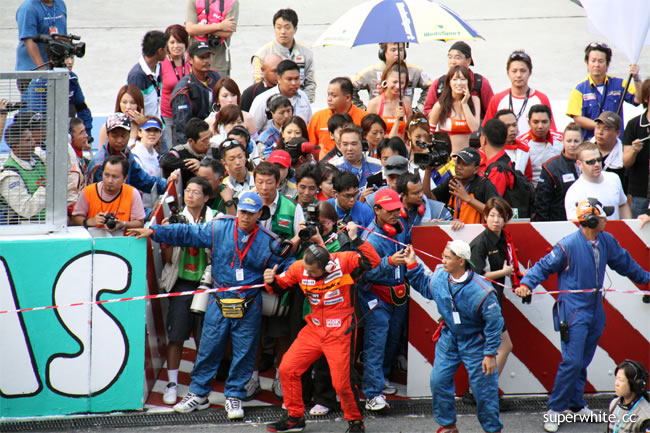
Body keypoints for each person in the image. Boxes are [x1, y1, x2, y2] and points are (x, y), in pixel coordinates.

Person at [127, 191, 293, 420]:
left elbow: (289, 263)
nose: (245, 216)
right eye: (242, 211)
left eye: (250, 213)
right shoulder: (220, 227)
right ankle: (198, 393)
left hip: (250, 302)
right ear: (238, 211)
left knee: (244, 351)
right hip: (219, 298)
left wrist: (276, 275)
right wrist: (155, 231)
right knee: (209, 346)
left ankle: (234, 395)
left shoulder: (270, 241)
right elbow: (188, 233)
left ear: (259, 214)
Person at [514, 198, 650, 433]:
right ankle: (555, 409)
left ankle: (576, 405)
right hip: (574, 311)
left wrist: (647, 279)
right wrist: (526, 283)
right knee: (573, 361)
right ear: (590, 220)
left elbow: (626, 264)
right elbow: (542, 267)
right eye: (602, 215)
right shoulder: (566, 246)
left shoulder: (606, 241)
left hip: (595, 309)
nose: (607, 218)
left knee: (582, 360)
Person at [263, 222, 380, 433]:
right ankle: (295, 417)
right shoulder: (299, 268)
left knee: (341, 383)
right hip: (314, 329)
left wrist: (356, 239)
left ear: (326, 267)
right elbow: (280, 287)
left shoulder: (344, 262)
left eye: (313, 271)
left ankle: (355, 422)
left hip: (340, 331)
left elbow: (373, 260)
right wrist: (270, 281)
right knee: (288, 368)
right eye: (305, 269)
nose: (307, 274)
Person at [405, 240, 504, 433]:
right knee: (438, 380)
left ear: (461, 261)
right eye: (443, 256)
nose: (442, 260)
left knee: (483, 391)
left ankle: (493, 430)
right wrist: (412, 264)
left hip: (476, 342)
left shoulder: (482, 291)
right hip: (449, 337)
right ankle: (448, 426)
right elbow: (426, 287)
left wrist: (490, 354)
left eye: (447, 257)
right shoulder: (441, 276)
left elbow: (495, 324)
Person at [160, 176, 214, 406]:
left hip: (207, 281)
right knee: (176, 334)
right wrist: (167, 235)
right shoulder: (175, 218)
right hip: (181, 280)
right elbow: (167, 259)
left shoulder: (215, 219)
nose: (190, 195)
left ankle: (200, 385)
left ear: (206, 197)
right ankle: (172, 383)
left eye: (196, 192)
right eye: (188, 191)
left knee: (205, 337)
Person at [358, 188, 409, 411]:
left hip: (398, 296)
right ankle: (372, 393)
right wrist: (389, 262)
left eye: (398, 208)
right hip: (375, 298)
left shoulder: (400, 227)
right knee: (375, 344)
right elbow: (363, 273)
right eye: (390, 210)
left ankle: (384, 377)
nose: (396, 213)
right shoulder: (368, 239)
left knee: (392, 340)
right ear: (376, 210)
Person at [469, 197, 521, 386]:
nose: (496, 220)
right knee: (504, 346)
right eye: (492, 215)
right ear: (485, 217)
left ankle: (479, 390)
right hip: (482, 303)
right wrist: (505, 272)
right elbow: (475, 277)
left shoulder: (502, 239)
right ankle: (482, 390)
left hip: (493, 301)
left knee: (489, 349)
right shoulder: (480, 243)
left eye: (500, 216)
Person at [567, 42, 642, 140]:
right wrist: (600, 127)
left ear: (607, 64)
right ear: (587, 63)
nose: (596, 65)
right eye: (593, 61)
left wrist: (636, 78)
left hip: (615, 142)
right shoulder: (579, 89)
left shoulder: (620, 84)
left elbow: (638, 100)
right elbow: (577, 118)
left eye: (601, 61)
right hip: (590, 146)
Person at [87, 113, 170, 197]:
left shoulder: (126, 152)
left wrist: (166, 183)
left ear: (129, 135)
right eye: (114, 136)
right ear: (108, 135)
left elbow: (142, 179)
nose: (119, 140)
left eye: (123, 136)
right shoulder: (99, 163)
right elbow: (105, 197)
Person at [483, 50, 555, 136]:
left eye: (523, 71)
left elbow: (551, 130)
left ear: (530, 72)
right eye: (514, 71)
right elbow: (486, 132)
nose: (518, 75)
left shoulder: (541, 98)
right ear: (508, 73)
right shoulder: (497, 99)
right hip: (504, 148)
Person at [251, 8, 316, 102]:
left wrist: (301, 103)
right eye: (279, 27)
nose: (283, 32)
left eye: (287, 27)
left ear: (295, 29)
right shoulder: (262, 54)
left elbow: (310, 84)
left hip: (299, 103)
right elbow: (257, 85)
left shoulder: (306, 53)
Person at [71, 156, 145, 233]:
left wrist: (123, 224)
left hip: (122, 241)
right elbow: (74, 220)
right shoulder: (88, 191)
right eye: (106, 175)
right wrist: (90, 221)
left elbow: (140, 223)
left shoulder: (132, 193)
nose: (110, 181)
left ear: (125, 178)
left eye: (115, 177)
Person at [424, 41, 494, 120]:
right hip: (446, 129)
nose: (453, 62)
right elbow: (427, 110)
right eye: (450, 57)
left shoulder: (480, 83)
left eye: (457, 58)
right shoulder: (439, 83)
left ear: (468, 61)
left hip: (474, 130)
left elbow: (492, 111)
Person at [352, 42, 432, 111]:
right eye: (393, 50)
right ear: (383, 52)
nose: (397, 53)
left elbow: (431, 87)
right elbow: (350, 87)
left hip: (404, 117)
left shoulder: (415, 71)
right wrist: (362, 110)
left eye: (400, 50)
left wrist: (419, 109)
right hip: (378, 120)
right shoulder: (371, 72)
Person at [429, 147, 499, 224]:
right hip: (454, 231)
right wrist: (427, 170)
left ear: (476, 169)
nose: (459, 167)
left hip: (478, 233)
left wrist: (468, 198)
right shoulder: (452, 180)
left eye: (465, 164)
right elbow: (430, 198)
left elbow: (495, 212)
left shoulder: (484, 184)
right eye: (458, 163)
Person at [170, 41, 222, 146]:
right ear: (190, 60)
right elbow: (182, 130)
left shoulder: (216, 78)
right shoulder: (183, 91)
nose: (206, 61)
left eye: (208, 57)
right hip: (196, 143)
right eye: (202, 58)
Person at [564, 141, 631, 220]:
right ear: (579, 164)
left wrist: (627, 226)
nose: (597, 164)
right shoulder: (574, 192)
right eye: (591, 162)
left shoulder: (614, 178)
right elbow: (575, 224)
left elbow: (622, 204)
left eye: (599, 159)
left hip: (615, 231)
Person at [308, 77, 367, 159]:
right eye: (328, 95)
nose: (329, 99)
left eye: (333, 96)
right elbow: (311, 148)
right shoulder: (318, 117)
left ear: (347, 98)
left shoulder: (363, 118)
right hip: (325, 167)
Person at [0, 121, 46, 224]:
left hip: (52, 220)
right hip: (31, 229)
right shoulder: (9, 176)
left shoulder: (37, 159)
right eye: (28, 140)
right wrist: (47, 187)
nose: (34, 142)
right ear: (15, 146)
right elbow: (26, 209)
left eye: (32, 138)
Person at [428, 65, 481, 155]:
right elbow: (429, 133)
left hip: (466, 158)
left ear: (468, 81)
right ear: (449, 82)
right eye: (455, 79)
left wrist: (464, 104)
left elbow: (474, 128)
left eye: (463, 79)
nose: (459, 83)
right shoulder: (440, 105)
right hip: (447, 158)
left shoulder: (475, 100)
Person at [249, 60, 312, 134]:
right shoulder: (263, 100)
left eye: (296, 79)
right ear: (278, 79)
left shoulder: (303, 97)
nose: (294, 83)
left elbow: (309, 125)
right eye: (289, 79)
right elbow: (252, 132)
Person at [535, 123, 582, 221]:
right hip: (559, 223)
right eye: (569, 141)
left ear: (582, 141)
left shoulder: (591, 162)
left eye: (576, 141)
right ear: (562, 141)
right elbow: (542, 204)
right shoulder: (551, 167)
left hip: (585, 221)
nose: (572, 145)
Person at [184, 0, 238, 76]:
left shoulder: (231, 2)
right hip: (195, 61)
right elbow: (190, 29)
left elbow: (227, 33)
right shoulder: (195, 1)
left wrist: (200, 27)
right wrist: (220, 26)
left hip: (219, 63)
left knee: (221, 86)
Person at [160, 24, 192, 152]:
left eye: (179, 42)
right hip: (168, 116)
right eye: (172, 42)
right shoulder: (161, 63)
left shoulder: (192, 59)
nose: (176, 46)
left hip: (187, 114)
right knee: (169, 151)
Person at [254, 161, 304, 240]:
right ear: (254, 183)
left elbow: (300, 237)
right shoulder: (247, 203)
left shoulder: (293, 207)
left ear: (278, 183)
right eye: (260, 182)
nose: (264, 187)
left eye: (269, 183)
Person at [15, 0, 67, 76]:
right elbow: (29, 40)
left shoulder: (60, 4)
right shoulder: (28, 8)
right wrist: (43, 72)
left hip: (56, 71)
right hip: (33, 71)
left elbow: (63, 35)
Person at [127, 30, 169, 123]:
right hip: (145, 130)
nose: (167, 51)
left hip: (157, 125)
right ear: (160, 51)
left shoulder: (158, 67)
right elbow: (133, 110)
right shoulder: (137, 76)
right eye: (166, 48)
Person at [622, 78, 650, 217]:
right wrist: (634, 151)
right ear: (646, 98)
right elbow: (626, 162)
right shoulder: (634, 125)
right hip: (640, 192)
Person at [517, 104, 563, 186]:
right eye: (536, 122)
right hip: (531, 191)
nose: (540, 126)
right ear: (529, 123)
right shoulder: (521, 143)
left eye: (544, 122)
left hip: (557, 190)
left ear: (550, 123)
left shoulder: (562, 140)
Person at [161, 117, 211, 188]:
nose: (209, 143)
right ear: (191, 141)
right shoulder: (180, 150)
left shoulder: (214, 148)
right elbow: (165, 161)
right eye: (204, 140)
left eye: (209, 138)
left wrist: (202, 165)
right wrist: (191, 165)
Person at [367, 61, 412, 139]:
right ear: (386, 80)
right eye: (394, 82)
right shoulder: (374, 104)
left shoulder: (406, 102)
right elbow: (369, 134)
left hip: (402, 147)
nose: (398, 86)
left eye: (402, 83)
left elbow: (410, 130)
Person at [329, 125, 382, 190]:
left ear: (362, 144)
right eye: (345, 144)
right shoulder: (332, 168)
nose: (349, 148)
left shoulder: (378, 166)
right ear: (340, 145)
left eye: (354, 144)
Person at [606, 360, 650, 433]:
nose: (616, 384)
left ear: (635, 384)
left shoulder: (644, 416)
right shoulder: (614, 404)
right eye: (616, 379)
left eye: (621, 380)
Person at [131, 116, 163, 209]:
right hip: (140, 209)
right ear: (140, 132)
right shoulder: (135, 156)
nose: (152, 134)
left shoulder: (156, 155)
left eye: (156, 131)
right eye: (148, 130)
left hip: (153, 207)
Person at [478, 118, 515, 197]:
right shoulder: (500, 162)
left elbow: (493, 204)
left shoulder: (497, 170)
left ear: (484, 139)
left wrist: (467, 198)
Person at [494, 109, 532, 180]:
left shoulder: (524, 149)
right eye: (507, 126)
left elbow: (528, 177)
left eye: (514, 125)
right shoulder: (488, 149)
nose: (512, 129)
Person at [593, 111, 626, 188]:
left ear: (617, 133)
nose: (600, 132)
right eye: (598, 127)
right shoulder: (585, 151)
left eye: (606, 129)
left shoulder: (624, 155)